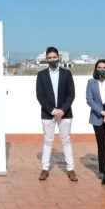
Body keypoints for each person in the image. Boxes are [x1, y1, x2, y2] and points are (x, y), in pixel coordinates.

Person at [36, 46, 77, 181]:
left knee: (66, 140)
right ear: (46, 59)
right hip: (48, 114)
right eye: (50, 58)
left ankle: (70, 169)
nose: (52, 60)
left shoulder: (67, 74)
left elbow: (71, 94)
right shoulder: (41, 75)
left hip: (65, 113)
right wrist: (52, 110)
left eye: (54, 57)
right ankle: (45, 169)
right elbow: (40, 96)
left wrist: (62, 110)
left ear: (59, 57)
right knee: (48, 140)